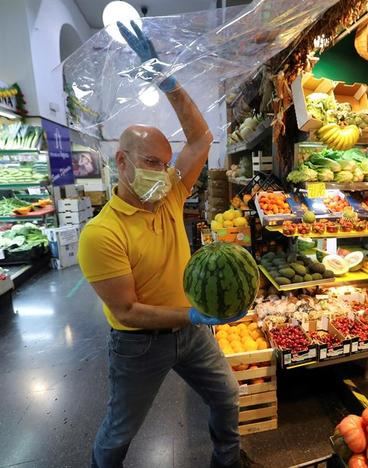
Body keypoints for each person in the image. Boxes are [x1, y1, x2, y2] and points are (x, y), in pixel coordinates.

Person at [78, 21, 259, 468]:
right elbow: (127, 311)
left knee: (227, 396)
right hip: (139, 344)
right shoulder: (101, 234)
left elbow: (200, 138)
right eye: (149, 163)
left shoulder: (170, 194)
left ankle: (227, 460)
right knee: (121, 428)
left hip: (192, 334)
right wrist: (195, 312)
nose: (162, 171)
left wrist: (168, 81)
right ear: (121, 162)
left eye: (164, 162)